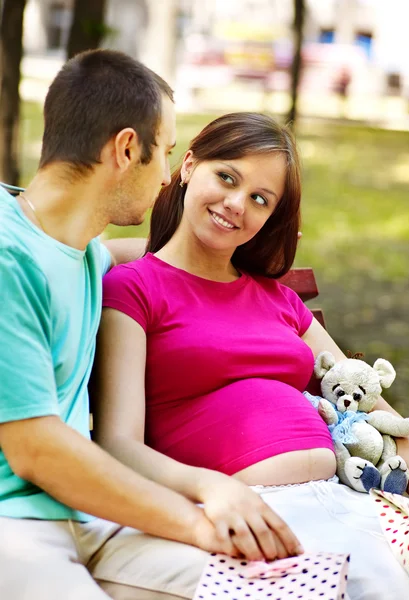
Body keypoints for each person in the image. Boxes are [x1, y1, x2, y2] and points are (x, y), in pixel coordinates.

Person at [96, 112, 409, 600]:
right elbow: (118, 444)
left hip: (340, 498)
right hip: (246, 510)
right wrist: (212, 489)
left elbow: (367, 396)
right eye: (226, 177)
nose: (235, 204)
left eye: (259, 199)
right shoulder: (135, 288)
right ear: (188, 165)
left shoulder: (278, 299)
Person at [0, 52, 301, 600]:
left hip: (98, 518)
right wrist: (202, 509)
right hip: (16, 526)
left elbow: (162, 264)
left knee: (284, 589)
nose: (167, 176)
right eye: (163, 153)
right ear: (126, 149)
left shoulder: (84, 253)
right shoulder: (5, 259)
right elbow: (36, 449)